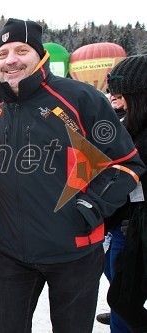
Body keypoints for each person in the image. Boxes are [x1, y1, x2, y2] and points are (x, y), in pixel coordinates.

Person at [0, 18, 145, 332]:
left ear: (40, 56)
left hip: (74, 252)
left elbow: (125, 163)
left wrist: (92, 207)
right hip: (11, 254)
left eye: (21, 50)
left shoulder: (81, 99)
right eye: (3, 53)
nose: (11, 59)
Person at [107, 54, 147, 333]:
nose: (114, 102)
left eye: (121, 96)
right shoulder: (125, 127)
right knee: (119, 298)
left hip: (138, 229)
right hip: (123, 226)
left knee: (123, 299)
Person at [96, 92, 131, 332]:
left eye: (120, 94)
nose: (114, 98)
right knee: (112, 275)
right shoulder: (114, 123)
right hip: (114, 220)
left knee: (124, 290)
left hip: (132, 223)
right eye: (112, 93)